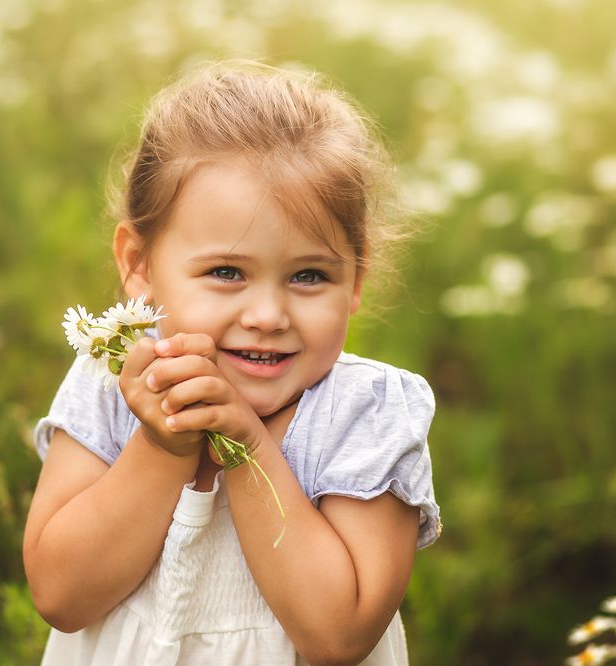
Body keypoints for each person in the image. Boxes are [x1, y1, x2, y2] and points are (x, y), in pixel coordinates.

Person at [23, 61, 441, 666]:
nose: (268, 314)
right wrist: (163, 446)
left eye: (309, 275)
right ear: (138, 265)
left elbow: (338, 636)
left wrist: (244, 445)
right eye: (226, 272)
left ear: (356, 279)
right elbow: (61, 594)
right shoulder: (112, 379)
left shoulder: (365, 414)